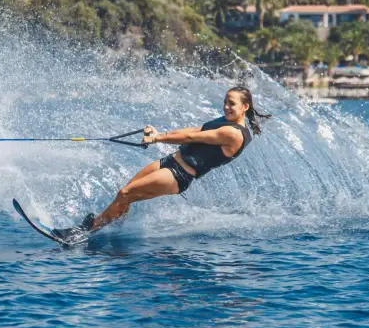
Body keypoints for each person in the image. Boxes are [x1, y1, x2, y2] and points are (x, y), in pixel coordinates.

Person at [53, 86, 271, 241]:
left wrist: (156, 139)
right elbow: (194, 130)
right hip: (170, 161)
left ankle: (84, 231)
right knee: (125, 196)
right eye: (225, 102)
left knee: (125, 193)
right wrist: (160, 133)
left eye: (231, 104)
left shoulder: (233, 134)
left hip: (179, 175)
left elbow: (191, 139)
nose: (225, 107)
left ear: (245, 106)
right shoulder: (225, 122)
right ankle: (113, 229)